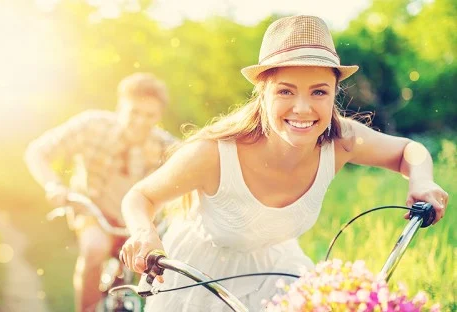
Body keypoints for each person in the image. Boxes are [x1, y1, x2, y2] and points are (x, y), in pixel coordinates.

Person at [119, 16, 449, 311]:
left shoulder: (341, 141)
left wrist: (421, 181)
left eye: (319, 92)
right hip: (200, 276)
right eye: (286, 92)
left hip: (276, 270)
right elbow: (140, 197)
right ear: (263, 93)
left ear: (336, 92)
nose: (303, 109)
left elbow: (411, 150)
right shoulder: (215, 153)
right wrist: (144, 232)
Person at [24, 72, 177, 312]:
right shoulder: (92, 126)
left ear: (159, 116)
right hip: (95, 215)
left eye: (150, 115)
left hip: (140, 225)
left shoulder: (165, 145)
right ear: (120, 107)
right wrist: (54, 185)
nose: (140, 121)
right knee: (94, 249)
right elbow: (37, 152)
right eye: (134, 112)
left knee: (158, 270)